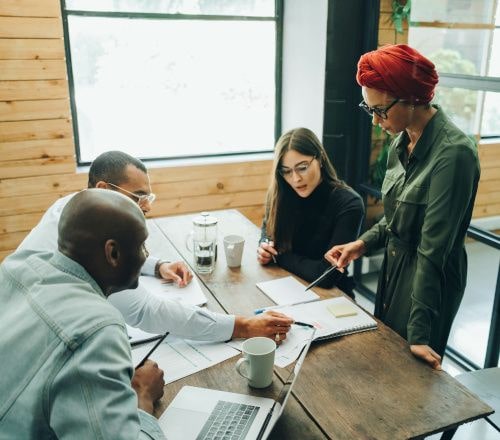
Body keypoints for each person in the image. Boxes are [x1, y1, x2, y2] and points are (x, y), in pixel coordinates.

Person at [17, 151, 293, 344]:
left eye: (148, 196)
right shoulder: (91, 241)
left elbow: (115, 255)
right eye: (138, 196)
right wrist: (243, 326)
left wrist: (157, 265)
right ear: (103, 187)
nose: (147, 206)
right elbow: (147, 311)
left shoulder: (71, 208)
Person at [325, 44, 480, 370]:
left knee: (409, 376)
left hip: (429, 282)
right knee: (383, 364)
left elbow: (433, 249)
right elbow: (397, 218)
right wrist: (361, 243)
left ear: (413, 98)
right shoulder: (401, 142)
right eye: (370, 111)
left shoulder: (454, 155)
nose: (375, 121)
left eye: (380, 110)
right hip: (395, 269)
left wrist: (420, 333)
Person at [0, 189, 166, 438]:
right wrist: (142, 396)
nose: (146, 255)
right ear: (113, 254)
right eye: (142, 245)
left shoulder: (18, 265)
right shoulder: (98, 331)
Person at [257, 127, 364, 298]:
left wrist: (279, 257)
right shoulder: (280, 192)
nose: (295, 179)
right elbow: (267, 231)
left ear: (320, 158)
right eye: (286, 171)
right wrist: (264, 246)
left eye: (302, 167)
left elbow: (327, 274)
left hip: (332, 297)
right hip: (284, 286)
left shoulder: (349, 203)